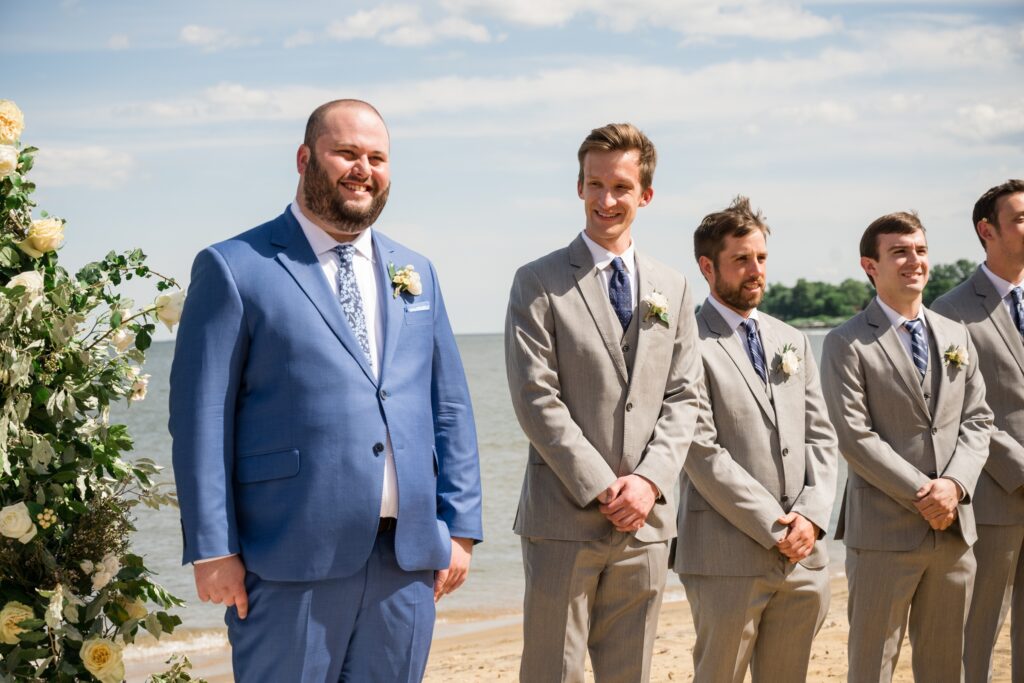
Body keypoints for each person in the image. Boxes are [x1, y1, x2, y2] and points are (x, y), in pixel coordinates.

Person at [168, 99, 483, 682]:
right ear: (305, 158)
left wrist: (459, 527)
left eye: (377, 157)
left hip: (407, 563)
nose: (363, 168)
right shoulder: (235, 266)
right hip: (287, 560)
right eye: (347, 153)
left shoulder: (417, 271)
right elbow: (201, 418)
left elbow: (450, 406)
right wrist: (214, 549)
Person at [504, 122, 702, 682]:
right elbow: (534, 396)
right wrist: (602, 484)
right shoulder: (536, 282)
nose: (606, 200)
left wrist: (647, 482)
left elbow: (684, 395)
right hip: (563, 518)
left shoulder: (674, 286)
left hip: (647, 523)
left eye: (620, 187)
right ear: (579, 187)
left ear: (645, 195)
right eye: (594, 185)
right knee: (551, 672)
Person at [820, 211, 992, 682]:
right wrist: (926, 493)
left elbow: (978, 420)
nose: (913, 260)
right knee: (872, 666)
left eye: (919, 250)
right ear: (870, 265)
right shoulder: (845, 343)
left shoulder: (957, 335)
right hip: (883, 534)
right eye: (899, 251)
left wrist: (954, 487)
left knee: (944, 669)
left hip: (955, 533)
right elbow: (854, 437)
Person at [675, 197, 838, 683]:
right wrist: (776, 526)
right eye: (741, 260)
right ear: (708, 267)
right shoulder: (686, 342)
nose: (755, 270)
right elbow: (701, 450)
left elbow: (822, 438)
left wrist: (810, 516)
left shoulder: (792, 339)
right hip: (725, 558)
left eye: (761, 258)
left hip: (805, 558)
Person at [932, 179, 1024, 682]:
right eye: (1021, 218)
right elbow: (964, 411)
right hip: (992, 498)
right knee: (979, 634)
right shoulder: (951, 312)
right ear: (987, 231)